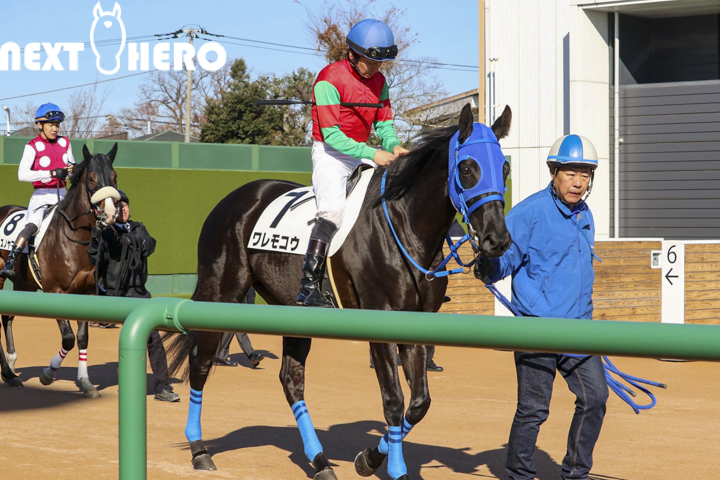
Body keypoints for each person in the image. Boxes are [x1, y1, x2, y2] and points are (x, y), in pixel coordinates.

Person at [474, 135, 609, 480]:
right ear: (554, 173)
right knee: (534, 409)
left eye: (585, 175)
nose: (578, 182)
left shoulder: (585, 214)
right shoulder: (528, 212)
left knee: (595, 398)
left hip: (579, 329)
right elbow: (505, 261)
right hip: (536, 328)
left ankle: (576, 473)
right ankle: (519, 474)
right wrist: (488, 263)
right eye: (571, 174)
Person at [297, 19, 409, 308]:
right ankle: (308, 287)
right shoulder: (328, 79)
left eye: (380, 62)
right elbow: (332, 135)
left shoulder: (380, 82)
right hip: (330, 154)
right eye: (370, 61)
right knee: (333, 210)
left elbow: (384, 124)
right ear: (352, 54)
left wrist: (393, 145)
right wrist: (373, 154)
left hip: (361, 152)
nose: (375, 68)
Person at [87, 190, 180, 403]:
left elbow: (150, 244)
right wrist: (98, 233)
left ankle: (162, 387)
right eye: (118, 206)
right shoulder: (106, 232)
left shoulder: (138, 227)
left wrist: (129, 241)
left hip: (139, 293)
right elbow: (93, 255)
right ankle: (136, 385)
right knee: (138, 337)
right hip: (117, 295)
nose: (123, 209)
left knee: (153, 338)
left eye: (125, 205)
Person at [1, 103, 75, 281]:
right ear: (40, 125)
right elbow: (22, 174)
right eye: (51, 125)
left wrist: (73, 169)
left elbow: (72, 168)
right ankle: (11, 261)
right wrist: (50, 173)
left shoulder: (65, 142)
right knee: (33, 223)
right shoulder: (32, 146)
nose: (55, 129)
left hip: (63, 196)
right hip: (41, 196)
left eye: (57, 125)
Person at [212, 288, 265, 368]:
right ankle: (251, 354)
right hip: (236, 292)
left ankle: (220, 356)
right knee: (238, 324)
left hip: (239, 293)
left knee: (233, 324)